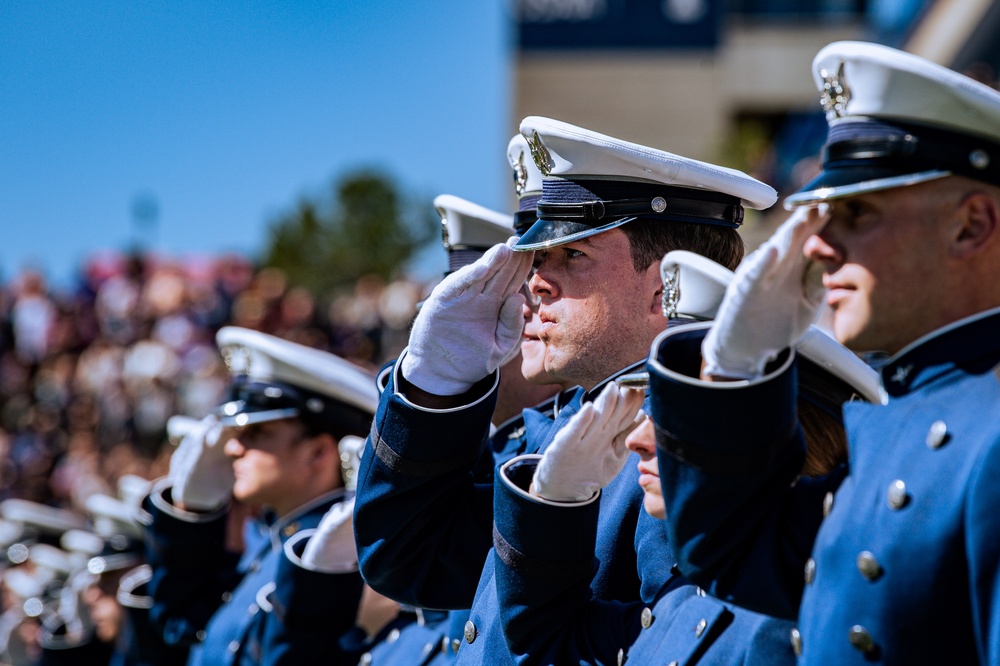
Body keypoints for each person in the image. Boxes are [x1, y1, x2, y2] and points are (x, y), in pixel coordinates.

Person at [354, 116, 777, 664]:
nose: (535, 281)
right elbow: (407, 559)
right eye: (537, 255)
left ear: (664, 288)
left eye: (573, 255)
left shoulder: (688, 445)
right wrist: (436, 387)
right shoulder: (558, 428)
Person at [651, 41, 1000, 663]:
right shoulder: (898, 419)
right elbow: (726, 550)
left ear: (971, 225)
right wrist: (737, 370)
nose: (817, 247)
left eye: (858, 212)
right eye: (822, 215)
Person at [492, 250, 881, 665]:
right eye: (652, 411)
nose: (638, 439)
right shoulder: (676, 606)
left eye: (685, 418)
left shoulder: (788, 622)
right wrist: (553, 504)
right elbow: (545, 641)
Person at [361, 186, 564, 666]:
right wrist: (435, 385)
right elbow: (402, 560)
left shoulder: (557, 443)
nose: (464, 326)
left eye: (485, 305)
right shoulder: (491, 450)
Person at [140, 327, 376, 665]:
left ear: (318, 453)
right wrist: (191, 512)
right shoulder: (269, 548)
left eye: (258, 433)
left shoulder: (336, 562)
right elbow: (180, 626)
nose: (234, 447)